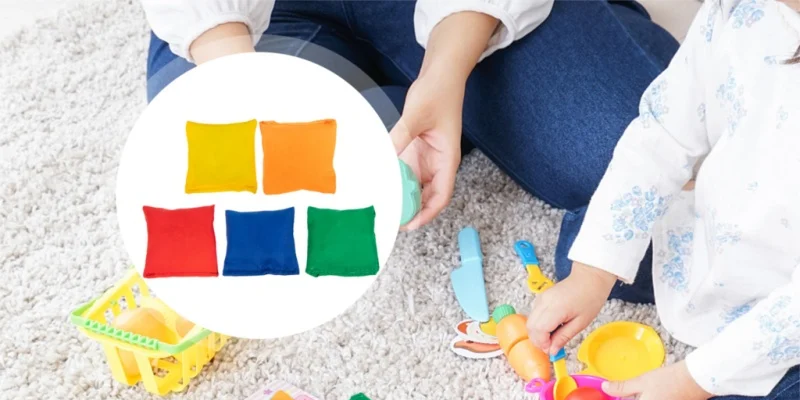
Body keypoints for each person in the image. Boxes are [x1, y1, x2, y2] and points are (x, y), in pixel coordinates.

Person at [527, 0, 800, 400]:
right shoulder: (739, 10)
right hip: (735, 237)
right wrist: (593, 273)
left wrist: (692, 379)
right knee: (583, 241)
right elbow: (664, 133)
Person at [142, 0, 678, 232]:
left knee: (639, 160)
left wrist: (447, 68)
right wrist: (240, 82)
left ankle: (439, 82)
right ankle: (414, 95)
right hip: (266, 12)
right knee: (215, 176)